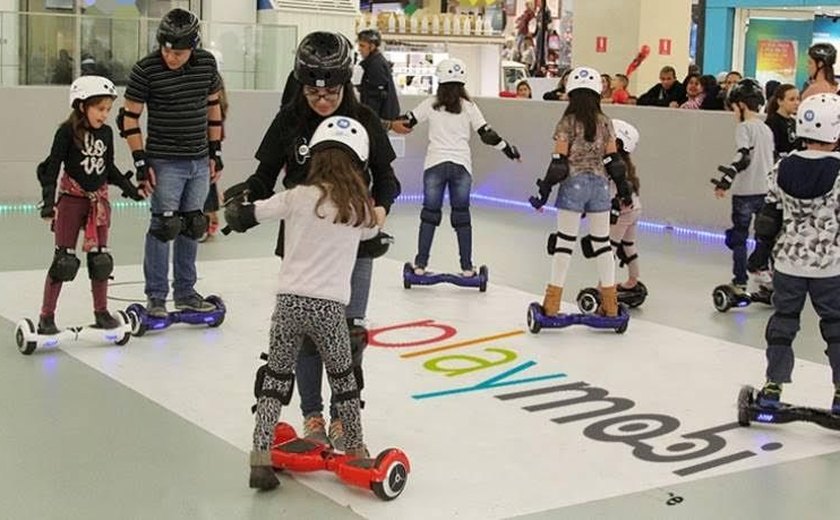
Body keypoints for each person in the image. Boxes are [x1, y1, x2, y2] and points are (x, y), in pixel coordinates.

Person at [230, 31, 400, 450]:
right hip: (303, 238)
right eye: (312, 92)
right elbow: (264, 176)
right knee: (304, 335)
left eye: (331, 92)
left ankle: (345, 419)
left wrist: (378, 213)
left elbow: (389, 180)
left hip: (352, 238)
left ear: (346, 84)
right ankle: (312, 416)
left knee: (349, 333)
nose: (322, 100)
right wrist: (244, 202)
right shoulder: (289, 118)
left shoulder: (365, 120)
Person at [224, 116, 378, 490]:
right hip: (329, 309)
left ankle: (260, 459)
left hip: (289, 303)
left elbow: (250, 213)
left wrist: (235, 210)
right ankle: (356, 453)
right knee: (344, 382)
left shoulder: (295, 197)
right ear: (358, 162)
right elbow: (374, 235)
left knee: (275, 380)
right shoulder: (358, 208)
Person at [119, 8, 224, 317]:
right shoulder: (145, 70)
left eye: (178, 52)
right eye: (166, 49)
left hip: (199, 159)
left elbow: (213, 106)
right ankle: (155, 296)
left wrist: (215, 152)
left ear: (193, 47)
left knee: (192, 225)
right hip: (164, 161)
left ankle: (186, 293)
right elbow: (129, 119)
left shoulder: (206, 63)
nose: (171, 56)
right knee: (164, 226)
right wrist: (141, 163)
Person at [747, 93, 840, 414]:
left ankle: (773, 387)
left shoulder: (782, 166)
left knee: (783, 324)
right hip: (830, 266)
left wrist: (760, 252)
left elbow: (769, 215)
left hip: (788, 263)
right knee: (836, 327)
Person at [35, 76, 144, 334]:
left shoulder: (106, 133)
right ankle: (46, 316)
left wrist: (131, 190)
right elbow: (52, 168)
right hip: (72, 200)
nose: (104, 115)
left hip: (99, 202)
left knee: (100, 260)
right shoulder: (66, 132)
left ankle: (101, 312)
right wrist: (49, 203)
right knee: (64, 261)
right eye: (100, 108)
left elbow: (108, 169)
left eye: (108, 109)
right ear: (82, 106)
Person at [395, 58, 520, 277]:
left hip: (434, 164)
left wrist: (385, 123)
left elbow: (406, 122)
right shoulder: (469, 107)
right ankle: (467, 268)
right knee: (461, 217)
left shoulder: (431, 104)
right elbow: (487, 134)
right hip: (461, 166)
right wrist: (508, 149)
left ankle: (420, 265)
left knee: (429, 215)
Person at [529, 66, 633, 318]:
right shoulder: (606, 121)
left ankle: (552, 304)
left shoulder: (567, 122)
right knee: (603, 245)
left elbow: (559, 164)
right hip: (599, 186)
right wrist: (623, 191)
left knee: (564, 243)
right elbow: (614, 161)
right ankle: (609, 304)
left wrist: (543, 191)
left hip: (573, 185)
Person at [710, 79, 774, 294]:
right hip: (765, 191)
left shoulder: (744, 127)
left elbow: (743, 156)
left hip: (745, 192)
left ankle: (740, 281)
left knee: (738, 238)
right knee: (763, 236)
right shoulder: (766, 129)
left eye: (733, 108)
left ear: (741, 106)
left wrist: (725, 181)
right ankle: (765, 274)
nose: (732, 113)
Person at [610, 120, 643, 293]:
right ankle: (633, 280)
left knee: (608, 248)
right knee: (629, 244)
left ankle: (604, 286)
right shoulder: (625, 162)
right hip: (635, 209)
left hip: (623, 211)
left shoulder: (614, 164)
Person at [199, 75, 229, 243]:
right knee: (208, 181)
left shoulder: (214, 105)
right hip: (208, 145)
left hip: (207, 145)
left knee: (207, 182)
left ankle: (208, 217)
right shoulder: (218, 104)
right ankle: (208, 217)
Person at [356, 28, 400, 121]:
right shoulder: (374, 62)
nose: (359, 49)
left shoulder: (375, 65)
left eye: (362, 46)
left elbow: (376, 96)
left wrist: (369, 119)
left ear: (372, 47)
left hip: (378, 117)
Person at [764, 84, 800, 160]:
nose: (796, 103)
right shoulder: (772, 123)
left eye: (798, 99)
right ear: (780, 101)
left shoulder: (794, 122)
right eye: (792, 99)